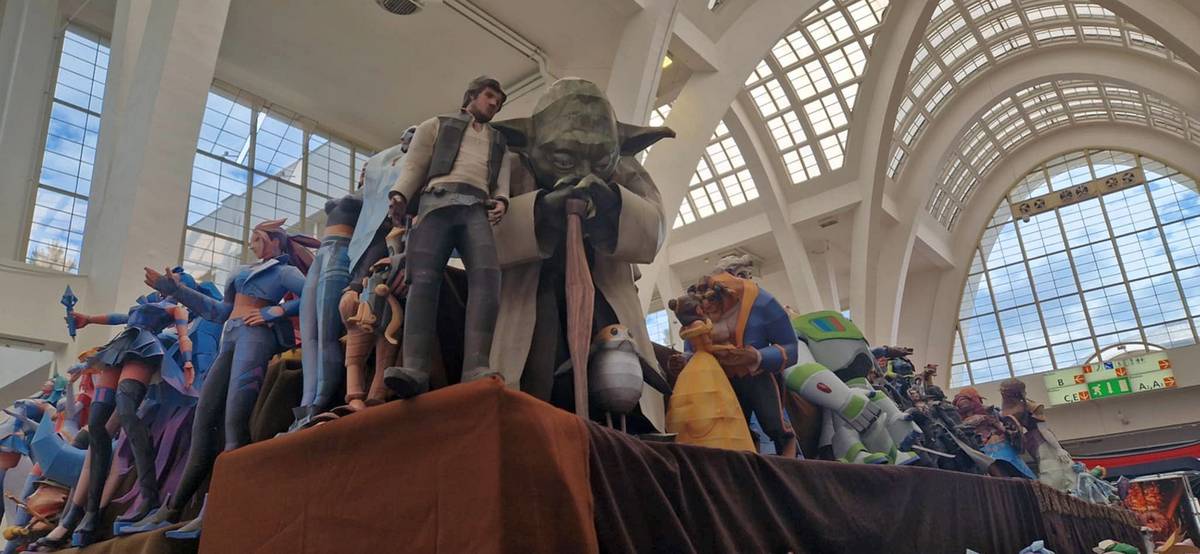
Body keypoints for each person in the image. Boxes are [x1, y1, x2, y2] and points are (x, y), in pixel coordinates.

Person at [126, 219, 315, 540]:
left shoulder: (284, 272)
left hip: (256, 337)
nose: (252, 243)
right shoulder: (240, 273)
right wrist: (176, 290)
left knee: (234, 423)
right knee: (203, 420)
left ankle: (214, 509)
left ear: (274, 241)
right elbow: (218, 312)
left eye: (258, 238)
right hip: (232, 337)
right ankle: (171, 510)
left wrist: (276, 312)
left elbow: (313, 291)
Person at [382, 77, 511, 398]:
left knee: (487, 278)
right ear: (471, 96)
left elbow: (502, 180)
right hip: (436, 203)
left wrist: (502, 200)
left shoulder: (498, 141)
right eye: (489, 96)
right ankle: (415, 369)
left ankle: (476, 366)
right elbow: (415, 164)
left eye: (498, 101)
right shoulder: (435, 125)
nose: (494, 104)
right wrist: (399, 194)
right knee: (422, 281)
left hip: (476, 209)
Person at [62, 292, 191, 546]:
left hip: (144, 347)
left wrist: (187, 360)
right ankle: (91, 513)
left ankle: (148, 496)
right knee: (97, 424)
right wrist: (88, 318)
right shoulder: (145, 305)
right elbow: (121, 317)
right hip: (121, 346)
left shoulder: (174, 308)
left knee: (126, 411)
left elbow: (183, 331)